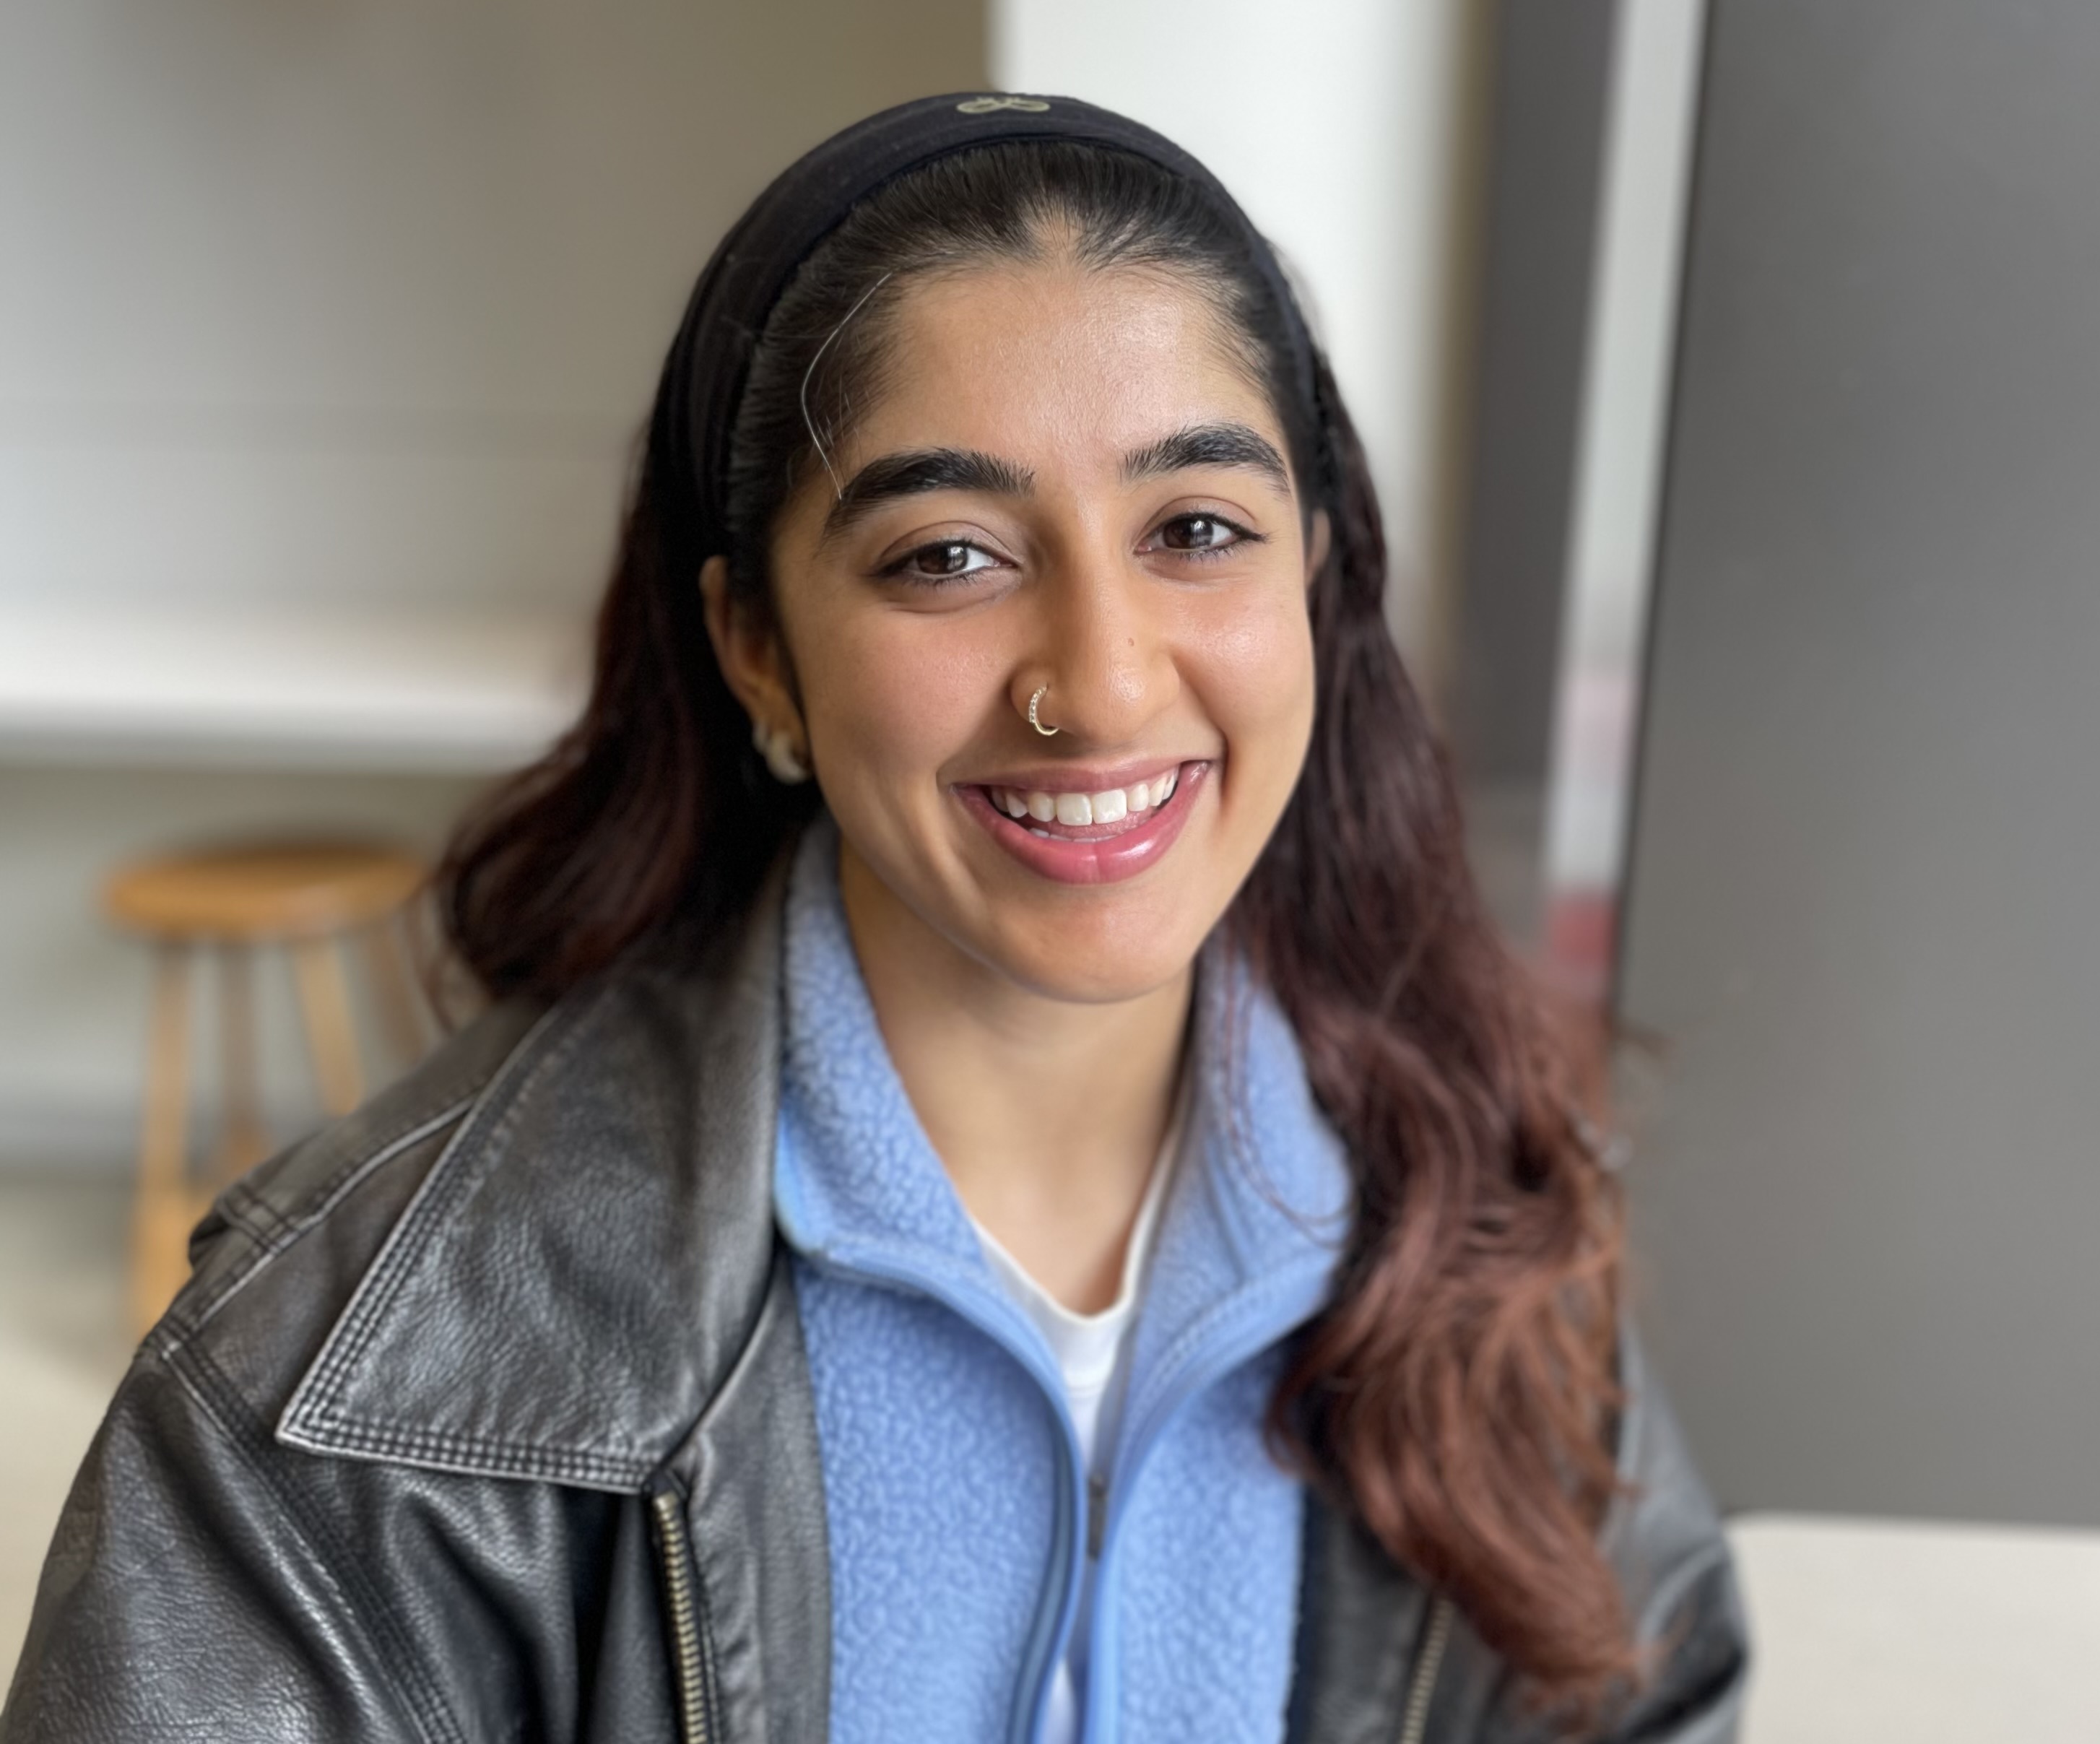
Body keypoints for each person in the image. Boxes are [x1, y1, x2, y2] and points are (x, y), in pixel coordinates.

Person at [1, 95, 1744, 1743]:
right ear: (757, 644)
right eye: (947, 555)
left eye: (1195, 526)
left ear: (1315, 574)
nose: (1105, 680)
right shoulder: (332, 1368)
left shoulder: (1482, 1211)